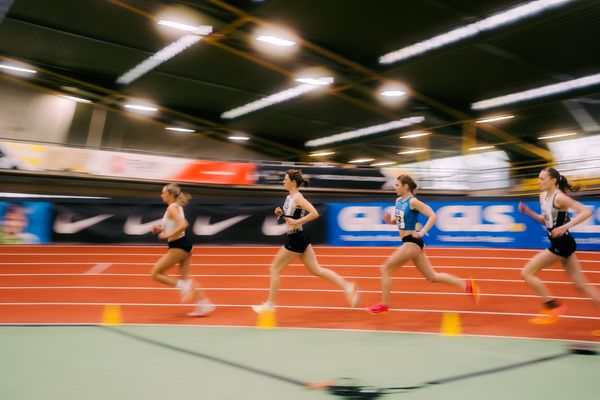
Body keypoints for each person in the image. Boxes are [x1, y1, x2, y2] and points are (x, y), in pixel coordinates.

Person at [367, 174, 479, 314]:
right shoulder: (398, 201)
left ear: (405, 186)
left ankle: (384, 305)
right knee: (432, 277)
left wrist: (422, 231)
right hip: (411, 243)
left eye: (397, 185)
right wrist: (391, 221)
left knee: (385, 269)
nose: (394, 188)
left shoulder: (413, 201)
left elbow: (433, 215)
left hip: (412, 242)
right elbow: (400, 222)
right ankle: (467, 285)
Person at [252, 169, 360, 313]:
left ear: (292, 182)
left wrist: (297, 221)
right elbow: (290, 218)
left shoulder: (298, 197)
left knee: (274, 268)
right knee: (317, 270)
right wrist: (282, 214)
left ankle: (270, 306)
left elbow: (314, 213)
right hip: (300, 236)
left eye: (285, 179)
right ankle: (348, 287)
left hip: (296, 238)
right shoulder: (289, 197)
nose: (283, 181)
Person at [519, 167, 599, 329]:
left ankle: (553, 307)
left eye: (542, 179)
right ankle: (553, 307)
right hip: (562, 244)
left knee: (527, 272)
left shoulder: (560, 198)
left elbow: (587, 211)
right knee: (581, 285)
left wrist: (565, 227)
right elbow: (547, 222)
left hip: (562, 244)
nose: (538, 181)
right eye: (538, 178)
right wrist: (529, 213)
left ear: (553, 181)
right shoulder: (543, 196)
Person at [150, 183, 214, 317]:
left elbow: (183, 224)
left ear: (171, 194)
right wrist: (161, 229)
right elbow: (173, 225)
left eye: (164, 193)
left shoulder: (172, 207)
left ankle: (182, 286)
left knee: (155, 273)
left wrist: (167, 235)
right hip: (184, 244)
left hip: (178, 245)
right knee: (187, 279)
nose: (162, 195)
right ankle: (204, 305)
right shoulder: (175, 207)